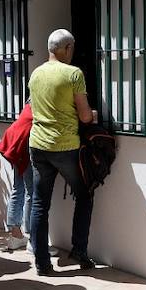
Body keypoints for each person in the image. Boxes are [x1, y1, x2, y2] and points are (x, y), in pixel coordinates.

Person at [28, 29, 97, 273]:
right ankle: (79, 251)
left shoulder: (36, 73)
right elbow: (85, 115)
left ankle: (42, 263)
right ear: (67, 48)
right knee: (85, 194)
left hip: (37, 145)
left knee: (39, 204)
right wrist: (93, 115)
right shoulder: (74, 73)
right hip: (65, 146)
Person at [0, 103, 35, 251]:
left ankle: (15, 236)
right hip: (23, 143)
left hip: (14, 139)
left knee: (18, 188)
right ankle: (33, 239)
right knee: (32, 192)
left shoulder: (32, 98)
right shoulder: (46, 100)